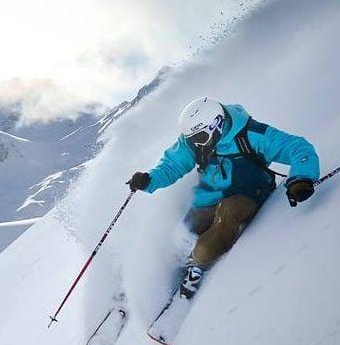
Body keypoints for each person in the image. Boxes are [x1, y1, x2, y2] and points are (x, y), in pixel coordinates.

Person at [127, 97, 319, 299]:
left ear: (216, 124)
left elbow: (296, 147)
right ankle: (169, 265)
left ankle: (198, 262)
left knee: (227, 212)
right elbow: (172, 165)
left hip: (251, 194)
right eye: (192, 140)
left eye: (200, 138)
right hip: (213, 195)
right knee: (190, 224)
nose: (196, 145)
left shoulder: (251, 135)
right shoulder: (195, 142)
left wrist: (301, 178)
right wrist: (149, 180)